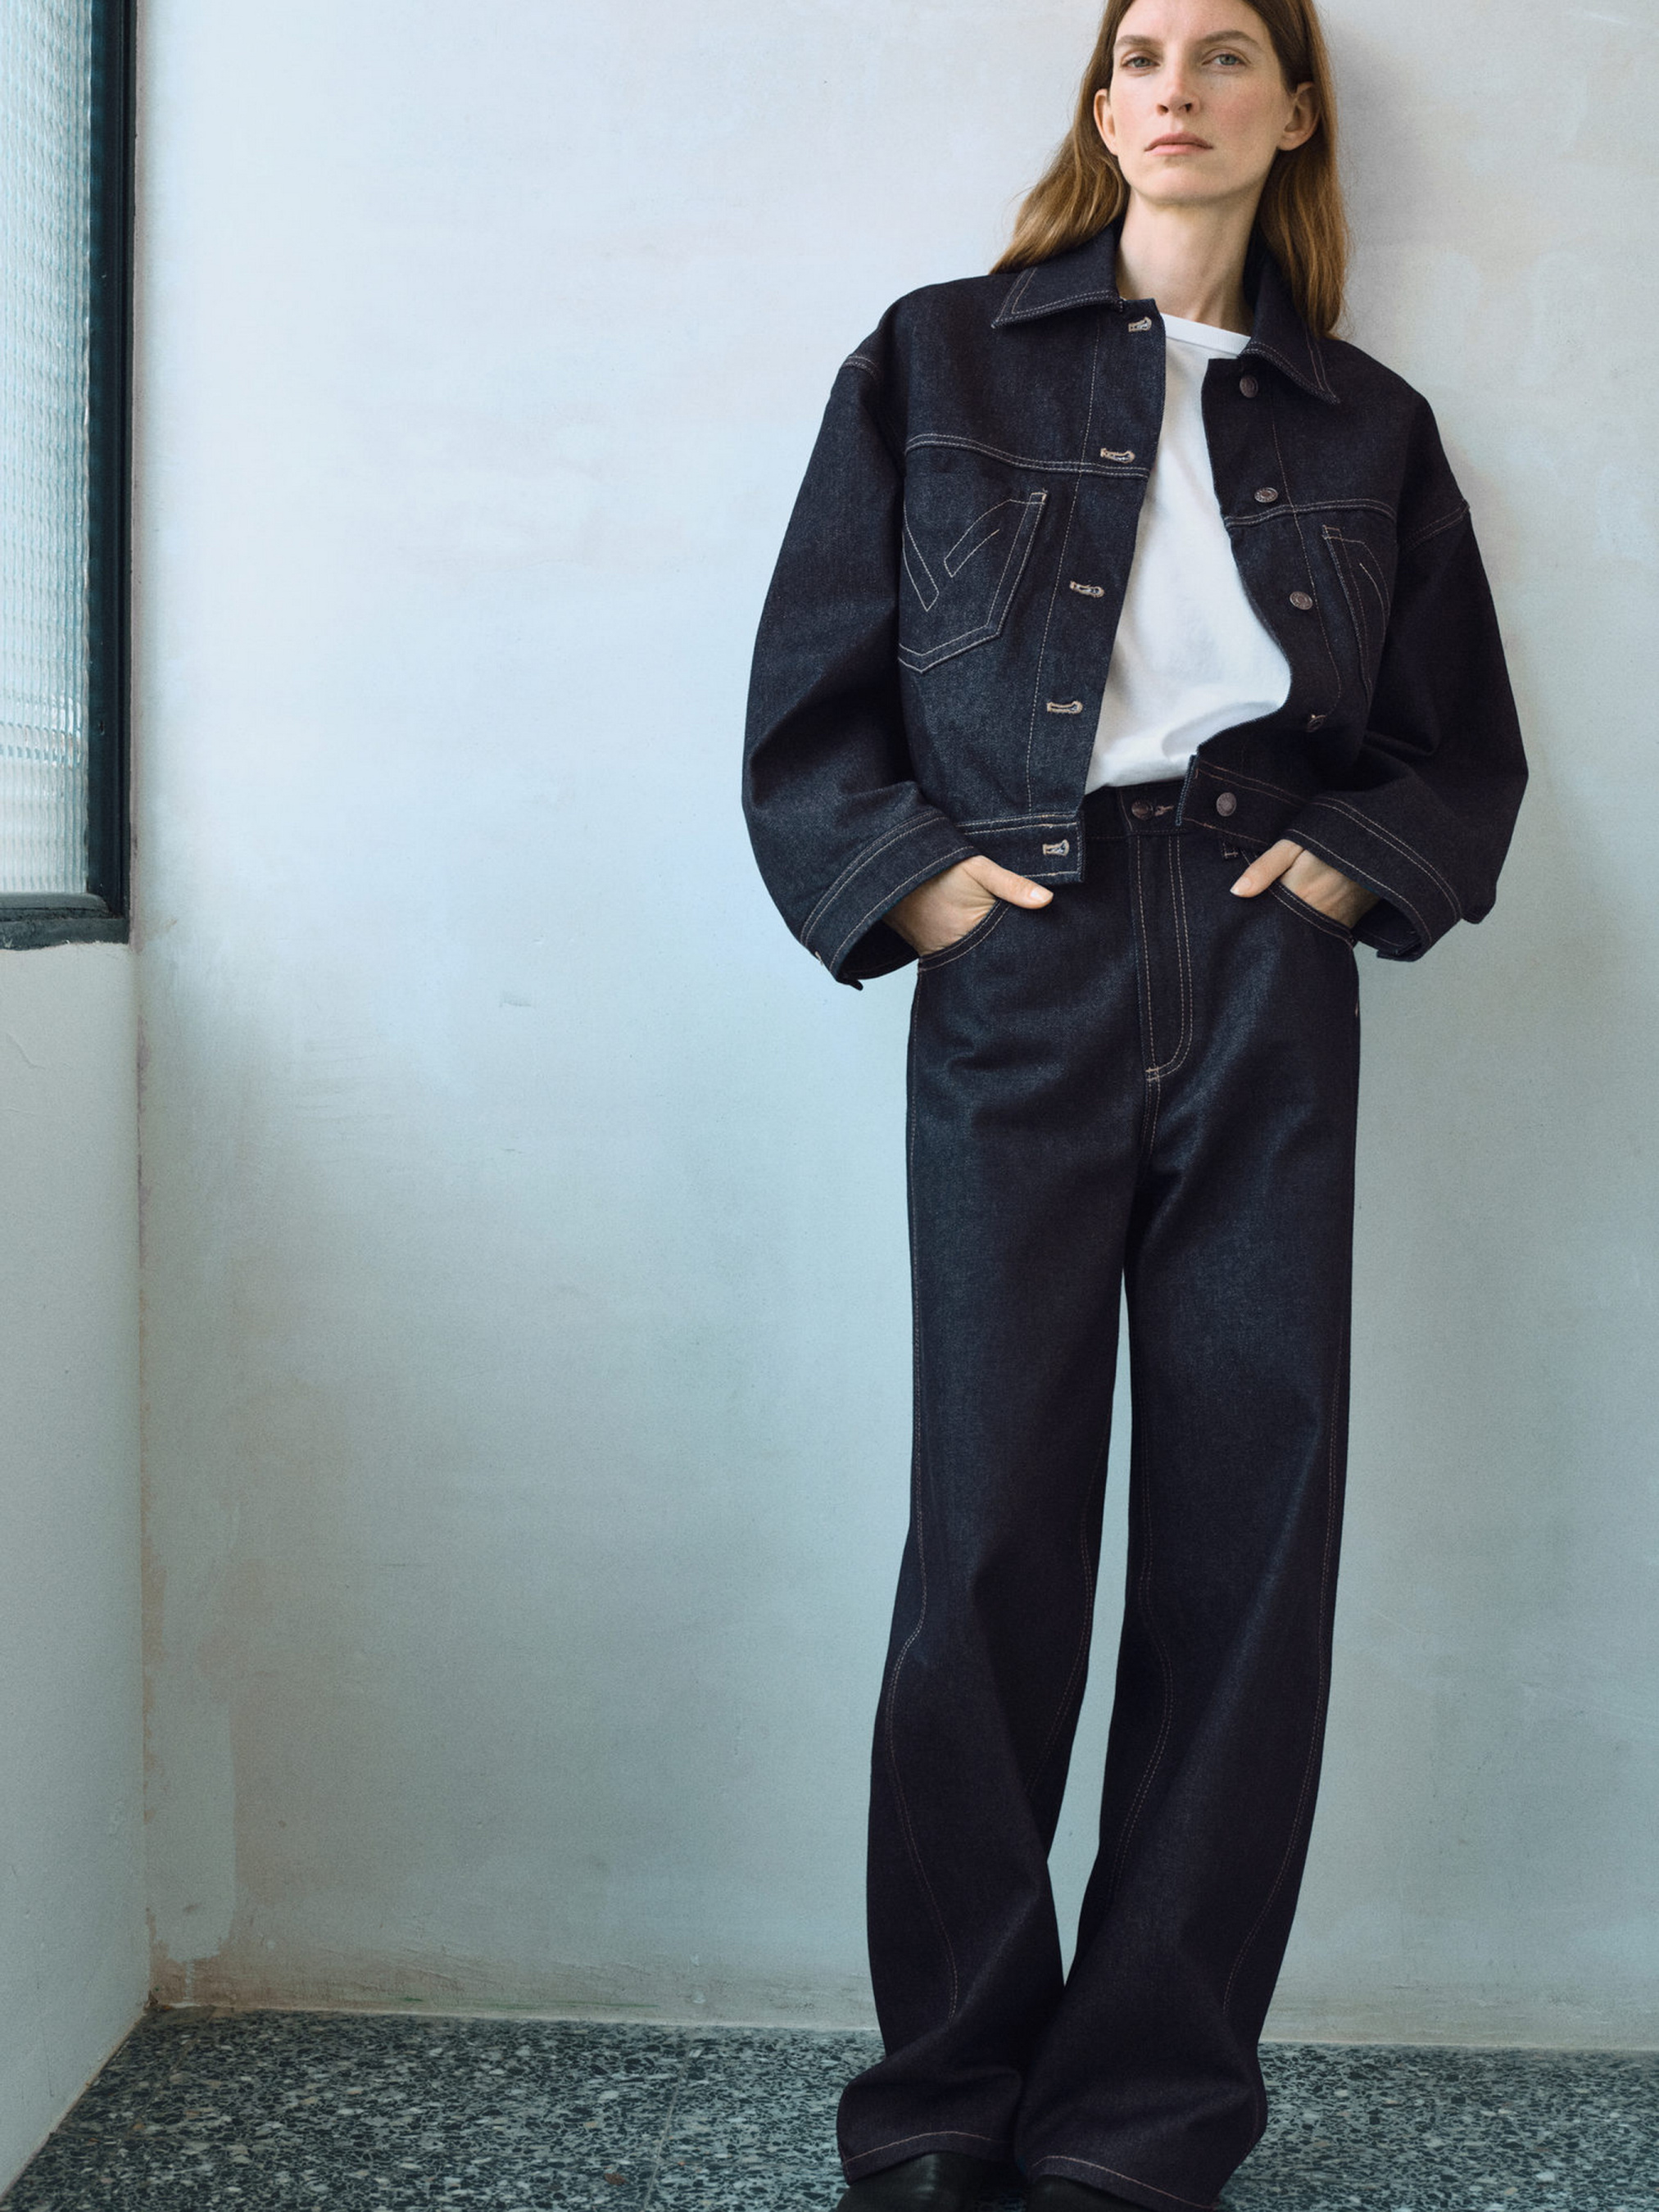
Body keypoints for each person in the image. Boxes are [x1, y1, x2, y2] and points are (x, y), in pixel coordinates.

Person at [742, 0, 1525, 2205]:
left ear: (1294, 110)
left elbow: (1457, 741)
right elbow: (808, 697)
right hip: (1026, 951)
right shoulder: (936, 360)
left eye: (1224, 54)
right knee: (989, 1536)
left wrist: (1352, 867)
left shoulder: (1368, 423)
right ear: (1102, 107)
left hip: (1264, 961)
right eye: (1140, 54)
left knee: (1242, 1552)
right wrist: (918, 894)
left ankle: (1141, 2123)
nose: (1176, 86)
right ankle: (939, 2110)